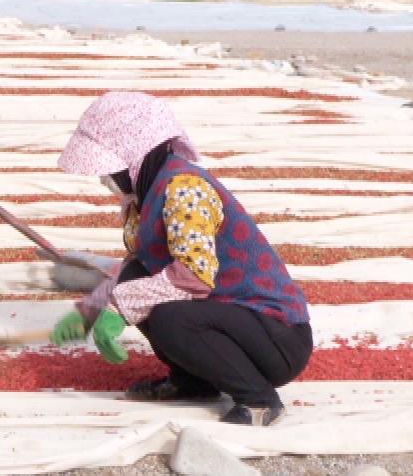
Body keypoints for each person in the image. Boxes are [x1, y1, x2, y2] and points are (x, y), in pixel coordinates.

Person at [50, 91, 312, 426]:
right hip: (228, 318)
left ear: (133, 156)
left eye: (107, 169)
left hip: (275, 336)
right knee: (137, 281)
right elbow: (136, 266)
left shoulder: (184, 189)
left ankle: (259, 400)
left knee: (169, 318)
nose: (104, 179)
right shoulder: (146, 192)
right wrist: (90, 310)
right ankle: (194, 382)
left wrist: (118, 308)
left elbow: (193, 277)